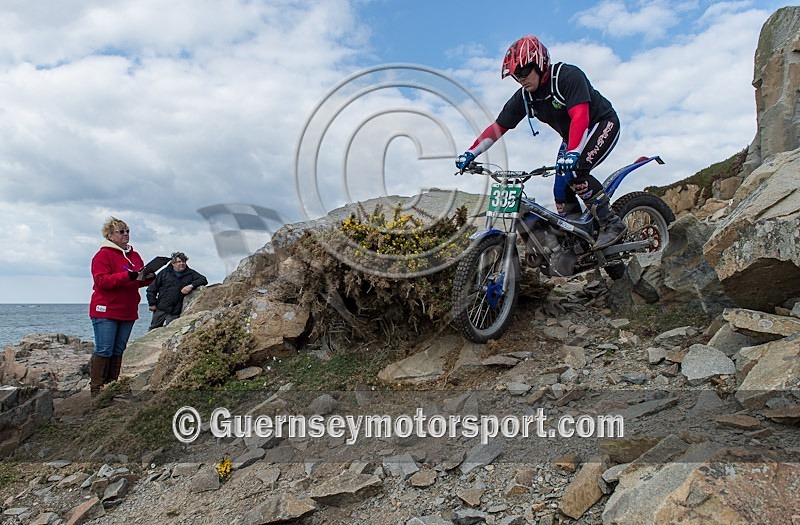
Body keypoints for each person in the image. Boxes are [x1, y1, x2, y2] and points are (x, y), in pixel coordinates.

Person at [456, 34, 626, 249]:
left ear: (540, 63)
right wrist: (471, 153)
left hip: (601, 123)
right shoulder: (525, 97)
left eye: (524, 72)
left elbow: (580, 116)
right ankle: (580, 239)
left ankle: (611, 223)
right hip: (572, 136)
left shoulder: (567, 76)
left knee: (574, 172)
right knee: (560, 190)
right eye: (516, 76)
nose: (521, 79)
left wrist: (573, 152)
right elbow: (498, 127)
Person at [88, 217, 154, 397]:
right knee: (104, 349)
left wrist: (148, 277)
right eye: (121, 231)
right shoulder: (103, 255)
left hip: (127, 310)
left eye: (127, 231)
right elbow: (101, 281)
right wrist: (128, 276)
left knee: (118, 350)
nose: (126, 234)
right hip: (106, 309)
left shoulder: (134, 255)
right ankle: (97, 390)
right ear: (110, 235)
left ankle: (111, 387)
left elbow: (136, 281)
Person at [146, 252, 208, 330]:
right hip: (161, 308)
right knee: (153, 329)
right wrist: (152, 303)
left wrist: (191, 286)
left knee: (171, 332)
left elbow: (203, 280)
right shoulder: (164, 273)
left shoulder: (190, 273)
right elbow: (151, 290)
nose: (182, 264)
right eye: (179, 262)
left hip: (175, 311)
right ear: (173, 263)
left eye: (184, 262)